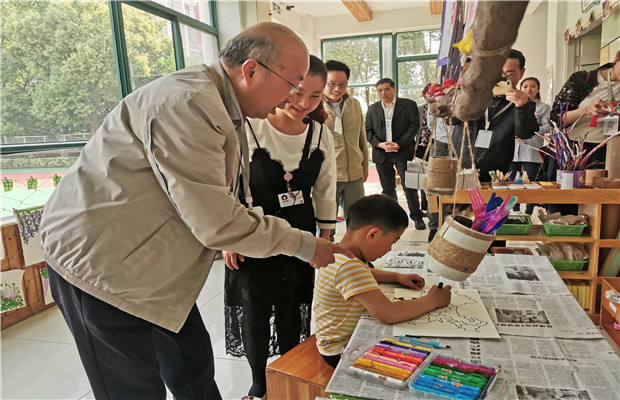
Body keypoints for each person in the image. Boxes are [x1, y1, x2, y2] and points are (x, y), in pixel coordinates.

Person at [39, 23, 352, 400]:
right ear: (252, 70)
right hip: (102, 266)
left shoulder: (222, 104)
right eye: (292, 84)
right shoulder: (188, 104)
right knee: (133, 388)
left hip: (154, 263)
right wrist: (306, 245)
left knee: (193, 368)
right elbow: (217, 221)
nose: (294, 98)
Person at [222, 55, 336, 400]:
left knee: (294, 303)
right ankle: (259, 381)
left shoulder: (320, 134)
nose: (303, 103)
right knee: (254, 307)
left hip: (301, 233)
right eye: (297, 92)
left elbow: (326, 187)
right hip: (252, 233)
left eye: (315, 96)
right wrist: (228, 238)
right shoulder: (250, 127)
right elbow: (227, 184)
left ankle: (288, 372)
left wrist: (325, 237)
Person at [313, 194, 452, 368]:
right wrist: (434, 300)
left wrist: (396, 277)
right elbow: (389, 313)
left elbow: (365, 273)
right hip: (342, 350)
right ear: (373, 234)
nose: (389, 249)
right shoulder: (349, 267)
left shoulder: (339, 255)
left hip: (334, 342)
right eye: (392, 242)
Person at [547, 50, 620, 215]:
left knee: (599, 212)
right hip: (573, 153)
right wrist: (586, 110)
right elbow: (555, 119)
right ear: (618, 56)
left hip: (609, 154)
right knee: (564, 209)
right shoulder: (583, 79)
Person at [452, 49, 538, 181]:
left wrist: (522, 107)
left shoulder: (523, 102)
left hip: (495, 174)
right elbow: (452, 120)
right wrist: (464, 95)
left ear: (521, 73)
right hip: (459, 167)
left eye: (508, 74)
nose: (500, 78)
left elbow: (525, 133)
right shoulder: (473, 94)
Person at [366, 78, 426, 230]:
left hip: (402, 151)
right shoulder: (372, 109)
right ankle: (393, 218)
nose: (383, 93)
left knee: (409, 185)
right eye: (380, 90)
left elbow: (414, 126)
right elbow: (368, 131)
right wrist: (380, 144)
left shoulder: (409, 105)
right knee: (387, 188)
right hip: (381, 152)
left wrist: (399, 143)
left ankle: (417, 217)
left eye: (386, 89)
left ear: (394, 89)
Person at [322, 60, 368, 241]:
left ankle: (355, 252)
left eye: (342, 84)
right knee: (326, 223)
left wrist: (364, 167)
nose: (337, 89)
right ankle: (327, 253)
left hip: (354, 174)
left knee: (357, 219)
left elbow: (361, 138)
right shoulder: (314, 106)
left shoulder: (354, 104)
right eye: (331, 83)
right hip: (327, 176)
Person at [509, 77, 550, 215]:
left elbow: (548, 127)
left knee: (532, 183)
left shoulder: (544, 107)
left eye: (533, 86)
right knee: (512, 182)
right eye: (525, 86)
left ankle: (528, 211)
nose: (529, 89)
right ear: (520, 89)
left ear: (538, 89)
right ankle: (515, 211)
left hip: (532, 149)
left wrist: (529, 131)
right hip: (512, 150)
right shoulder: (512, 106)